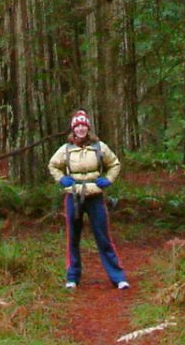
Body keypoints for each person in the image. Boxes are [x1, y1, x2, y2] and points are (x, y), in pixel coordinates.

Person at [48, 109, 129, 289]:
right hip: (74, 196)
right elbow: (53, 165)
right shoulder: (66, 150)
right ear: (73, 129)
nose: (81, 129)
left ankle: (118, 277)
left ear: (88, 128)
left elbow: (114, 164)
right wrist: (62, 179)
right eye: (78, 126)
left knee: (103, 236)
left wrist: (107, 180)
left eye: (84, 126)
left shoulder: (99, 147)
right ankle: (72, 277)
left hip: (95, 195)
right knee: (73, 238)